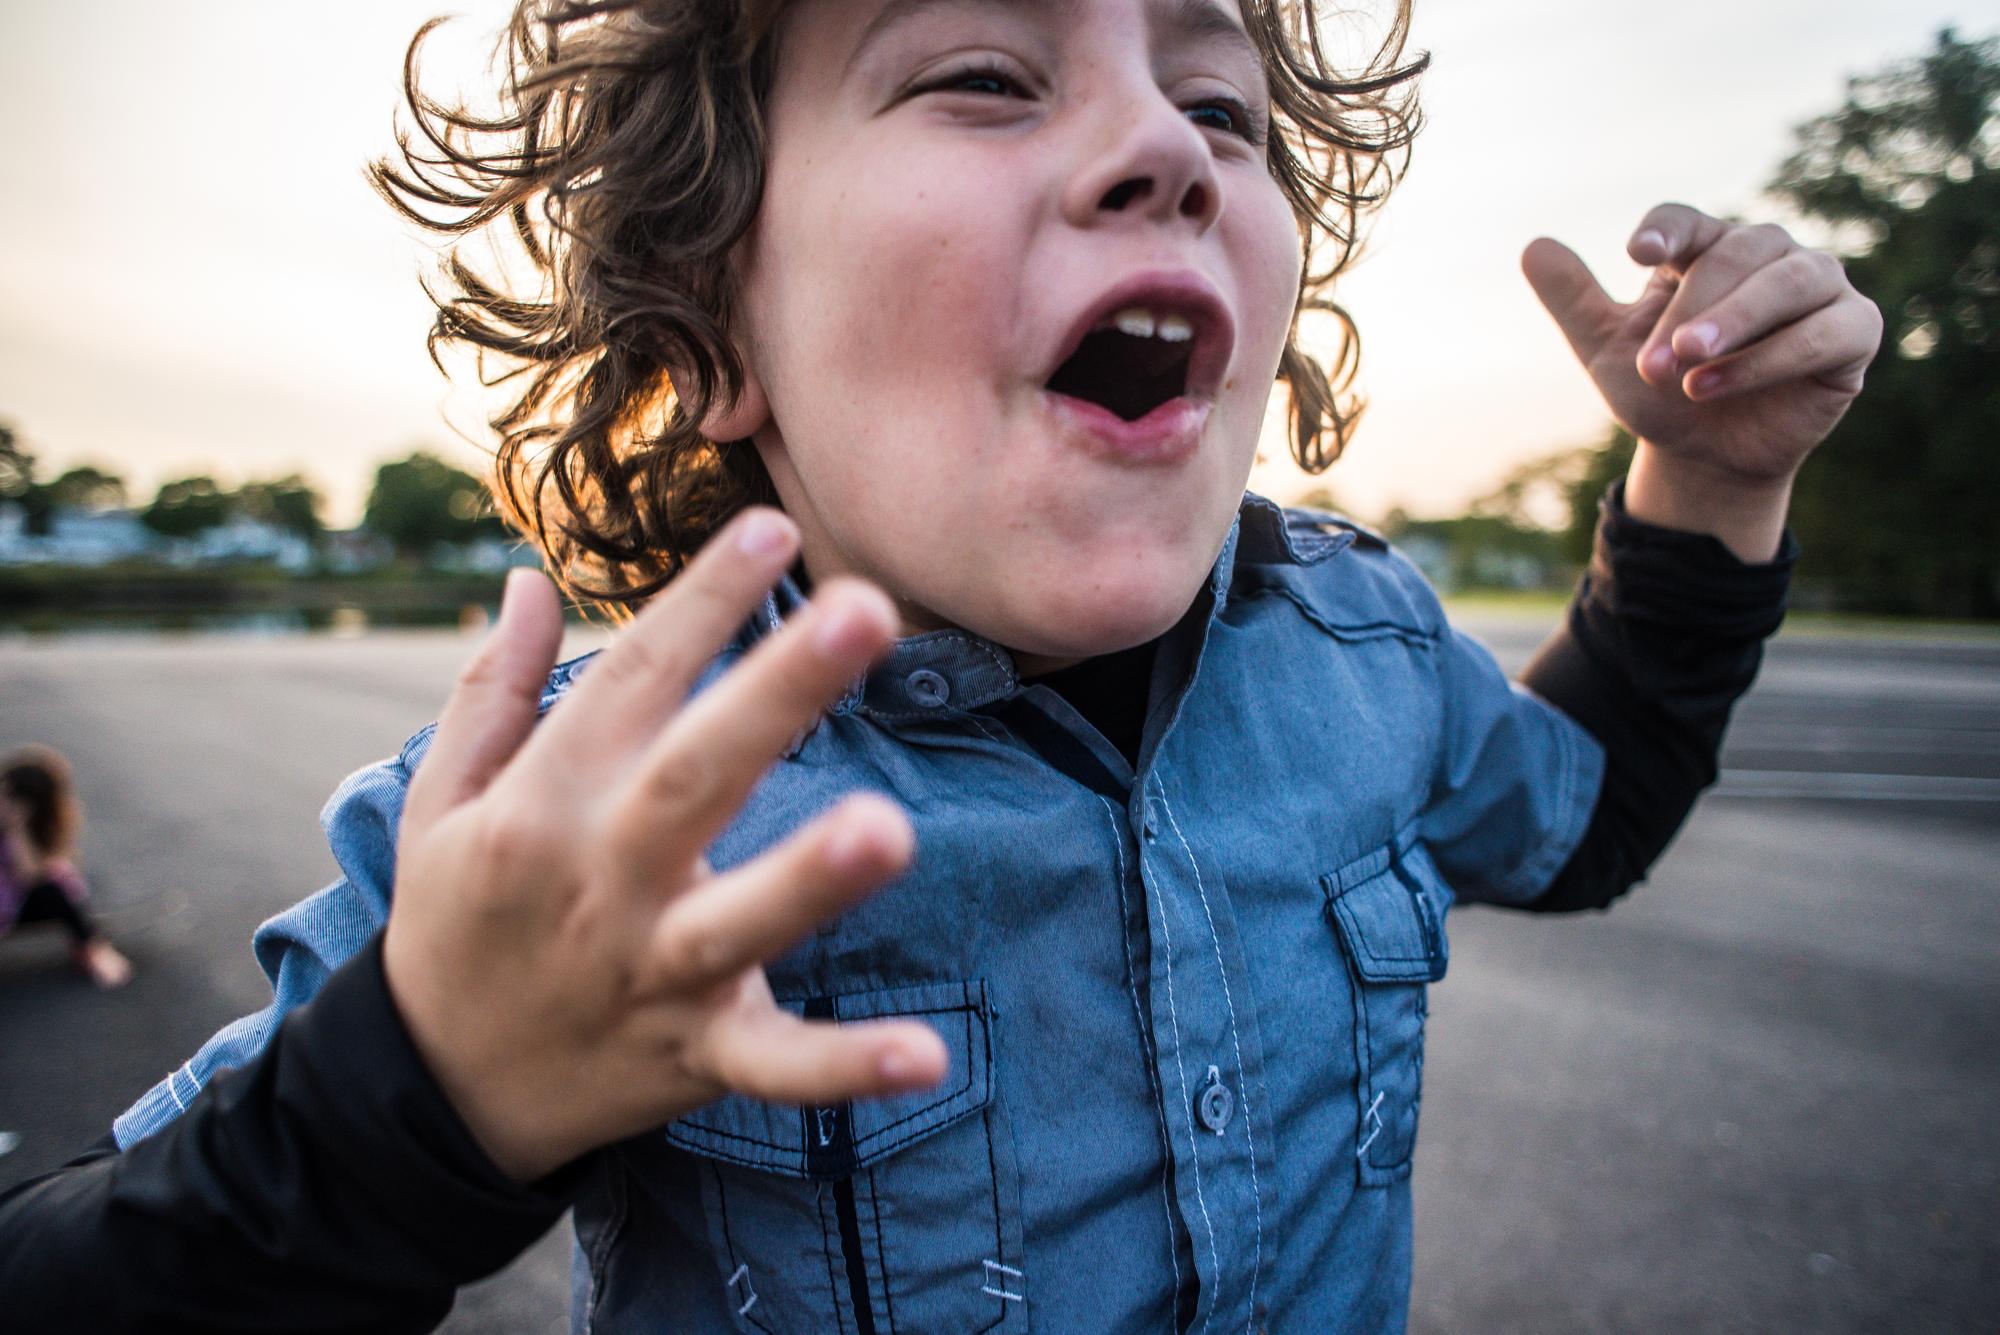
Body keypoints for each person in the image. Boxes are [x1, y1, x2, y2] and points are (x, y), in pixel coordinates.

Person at [0, 0, 1882, 1329]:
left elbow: (1594, 818)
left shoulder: (1367, 651)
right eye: (985, 71)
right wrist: (421, 1094)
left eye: (1220, 107)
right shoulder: (587, 825)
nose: (1162, 145)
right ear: (713, 328)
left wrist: (1708, 478)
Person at [0, 746, 133, 990]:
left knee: (57, 891)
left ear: (29, 807)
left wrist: (17, 829)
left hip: (12, 904)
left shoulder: (27, 833)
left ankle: (91, 947)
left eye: (8, 798)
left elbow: (30, 875)